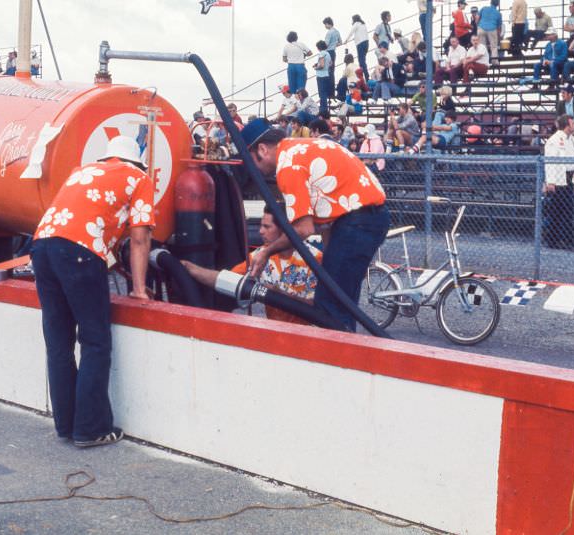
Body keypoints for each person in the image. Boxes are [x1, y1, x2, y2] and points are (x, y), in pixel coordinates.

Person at [31, 135, 154, 448]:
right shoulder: (138, 177)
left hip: (42, 245)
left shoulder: (81, 172)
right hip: (80, 250)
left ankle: (66, 424)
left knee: (58, 341)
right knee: (95, 340)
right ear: (137, 161)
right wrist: (138, 288)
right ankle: (90, 428)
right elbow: (140, 238)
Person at [240, 118, 390, 332]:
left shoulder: (287, 166)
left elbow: (303, 229)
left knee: (330, 308)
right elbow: (328, 220)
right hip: (368, 217)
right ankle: (346, 348)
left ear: (262, 149)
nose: (254, 170)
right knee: (341, 301)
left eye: (251, 161)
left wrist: (266, 252)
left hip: (358, 222)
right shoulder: (303, 147)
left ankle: (339, 357)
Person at [182, 205, 323, 325]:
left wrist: (280, 295)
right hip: (278, 334)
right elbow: (226, 279)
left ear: (285, 230)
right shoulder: (260, 256)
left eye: (266, 226)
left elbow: (324, 309)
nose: (260, 231)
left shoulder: (315, 258)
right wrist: (190, 268)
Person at [543, 114, 574, 250]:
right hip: (558, 180)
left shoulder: (572, 140)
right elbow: (550, 162)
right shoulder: (554, 140)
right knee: (557, 212)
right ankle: (554, 241)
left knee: (566, 212)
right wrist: (550, 182)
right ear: (567, 125)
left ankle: (563, 241)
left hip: (569, 178)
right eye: (573, 124)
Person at [345, 15, 370, 81]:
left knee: (361, 62)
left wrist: (346, 40)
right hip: (366, 43)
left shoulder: (356, 24)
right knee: (363, 61)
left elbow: (351, 32)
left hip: (360, 44)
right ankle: (366, 76)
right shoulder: (363, 24)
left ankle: (365, 77)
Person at [477, 0, 503, 65]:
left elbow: (477, 17)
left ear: (490, 2)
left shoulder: (484, 8)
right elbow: (499, 26)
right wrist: (498, 35)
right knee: (493, 46)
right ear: (498, 4)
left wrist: (478, 25)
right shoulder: (498, 13)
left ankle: (483, 61)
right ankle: (494, 61)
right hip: (492, 29)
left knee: (482, 46)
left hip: (481, 28)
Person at [323, 17, 342, 92]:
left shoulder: (329, 32)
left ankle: (328, 91)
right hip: (333, 52)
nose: (325, 26)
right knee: (332, 71)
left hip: (328, 53)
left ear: (328, 23)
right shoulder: (337, 31)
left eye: (325, 24)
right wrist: (334, 45)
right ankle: (332, 91)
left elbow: (326, 45)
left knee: (327, 71)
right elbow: (340, 42)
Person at [314, 41, 332, 115]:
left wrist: (316, 67)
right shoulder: (328, 53)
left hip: (321, 76)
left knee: (322, 94)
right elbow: (331, 63)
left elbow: (321, 65)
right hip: (327, 74)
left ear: (318, 47)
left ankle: (323, 110)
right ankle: (324, 109)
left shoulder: (321, 54)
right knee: (324, 93)